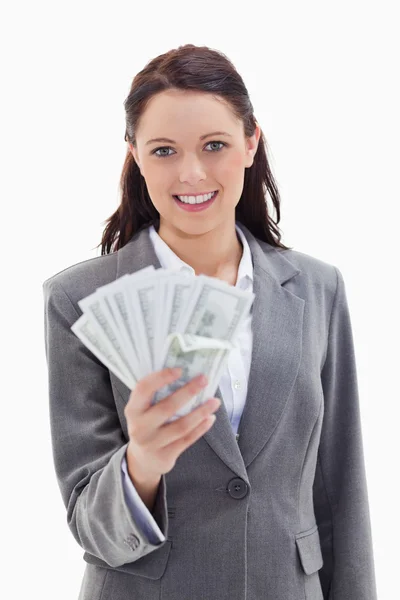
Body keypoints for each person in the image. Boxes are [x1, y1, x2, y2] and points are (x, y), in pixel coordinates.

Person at [42, 44, 378, 600]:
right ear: (135, 155)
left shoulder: (319, 288)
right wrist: (142, 463)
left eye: (214, 145)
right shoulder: (78, 300)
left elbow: (340, 489)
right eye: (165, 150)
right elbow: (87, 521)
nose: (191, 173)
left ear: (251, 142)